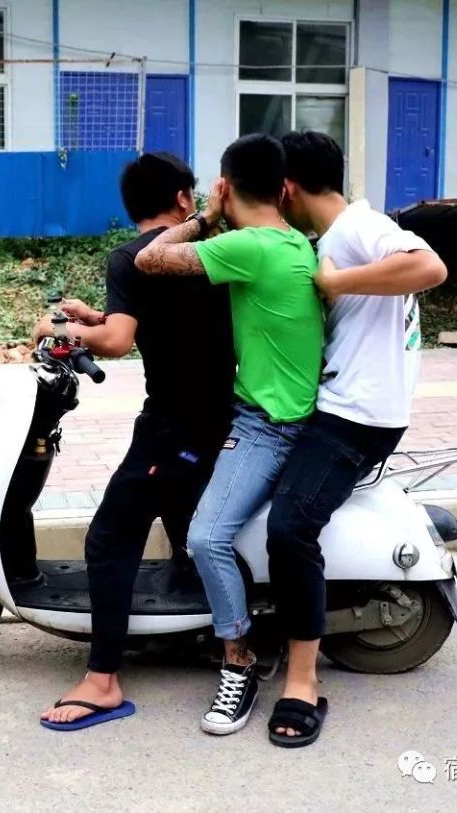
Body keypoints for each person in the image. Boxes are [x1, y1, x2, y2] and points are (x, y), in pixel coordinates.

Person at [260, 130, 448, 748]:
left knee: (289, 527)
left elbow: (430, 266)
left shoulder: (354, 230)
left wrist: (335, 284)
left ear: (287, 188)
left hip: (356, 418)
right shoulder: (342, 235)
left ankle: (303, 680)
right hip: (355, 406)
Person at [35, 152, 235, 729]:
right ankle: (204, 634)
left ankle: (102, 680)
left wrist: (56, 328)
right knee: (184, 528)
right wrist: (95, 315)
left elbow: (120, 341)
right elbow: (153, 322)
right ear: (180, 199)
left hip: (177, 425)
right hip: (215, 417)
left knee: (108, 539)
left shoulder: (131, 257)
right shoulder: (210, 252)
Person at [134, 134, 325, 736]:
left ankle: (238, 662)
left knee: (204, 538)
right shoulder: (294, 243)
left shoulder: (251, 244)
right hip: (302, 418)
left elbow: (149, 258)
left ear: (226, 185)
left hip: (266, 427)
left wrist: (206, 215)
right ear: (284, 187)